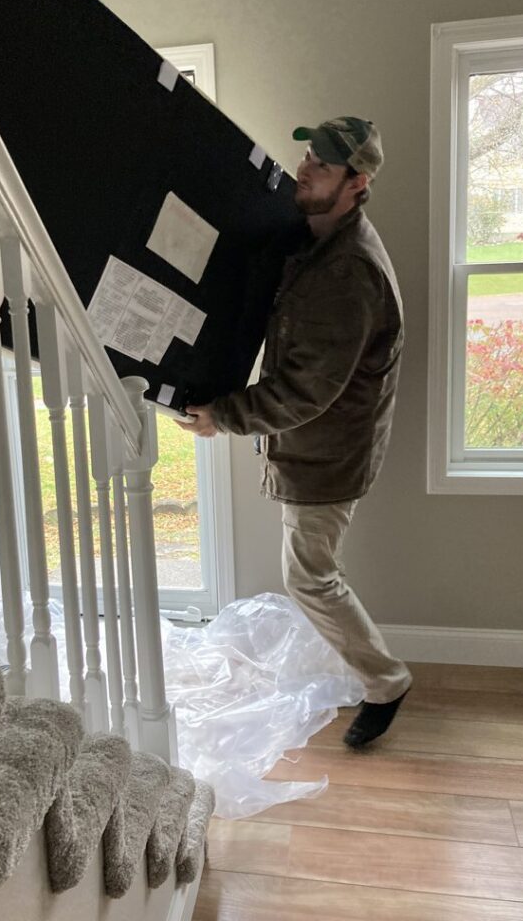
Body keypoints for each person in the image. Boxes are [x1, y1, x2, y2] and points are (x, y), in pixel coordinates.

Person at [177, 116, 411, 748]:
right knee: (309, 573)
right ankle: (361, 668)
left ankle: (386, 682)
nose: (304, 170)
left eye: (323, 166)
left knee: (309, 576)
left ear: (357, 183)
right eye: (307, 157)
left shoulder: (347, 274)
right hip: (322, 443)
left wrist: (222, 416)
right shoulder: (321, 237)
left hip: (329, 453)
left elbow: (309, 391)